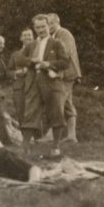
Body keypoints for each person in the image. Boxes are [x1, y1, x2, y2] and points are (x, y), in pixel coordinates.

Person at [20, 15, 71, 156]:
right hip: (34, 81)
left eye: (43, 27)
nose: (41, 30)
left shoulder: (56, 43)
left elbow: (66, 62)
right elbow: (20, 59)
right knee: (30, 112)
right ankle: (25, 146)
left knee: (56, 112)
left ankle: (55, 146)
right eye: (37, 27)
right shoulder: (31, 45)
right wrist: (32, 61)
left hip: (51, 82)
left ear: (49, 26)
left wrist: (48, 64)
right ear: (34, 28)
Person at [48, 13, 81, 143]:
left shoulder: (64, 34)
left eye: (51, 23)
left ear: (57, 22)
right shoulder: (55, 35)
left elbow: (65, 53)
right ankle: (71, 136)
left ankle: (53, 135)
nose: (49, 26)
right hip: (63, 73)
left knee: (59, 102)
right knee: (66, 103)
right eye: (48, 24)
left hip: (67, 73)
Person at [8, 28, 35, 125]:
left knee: (35, 112)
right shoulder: (15, 54)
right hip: (19, 86)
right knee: (20, 111)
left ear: (33, 37)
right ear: (21, 38)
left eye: (29, 35)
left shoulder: (38, 52)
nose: (27, 37)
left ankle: (38, 138)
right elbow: (8, 71)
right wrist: (16, 72)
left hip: (34, 86)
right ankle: (24, 137)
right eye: (25, 35)